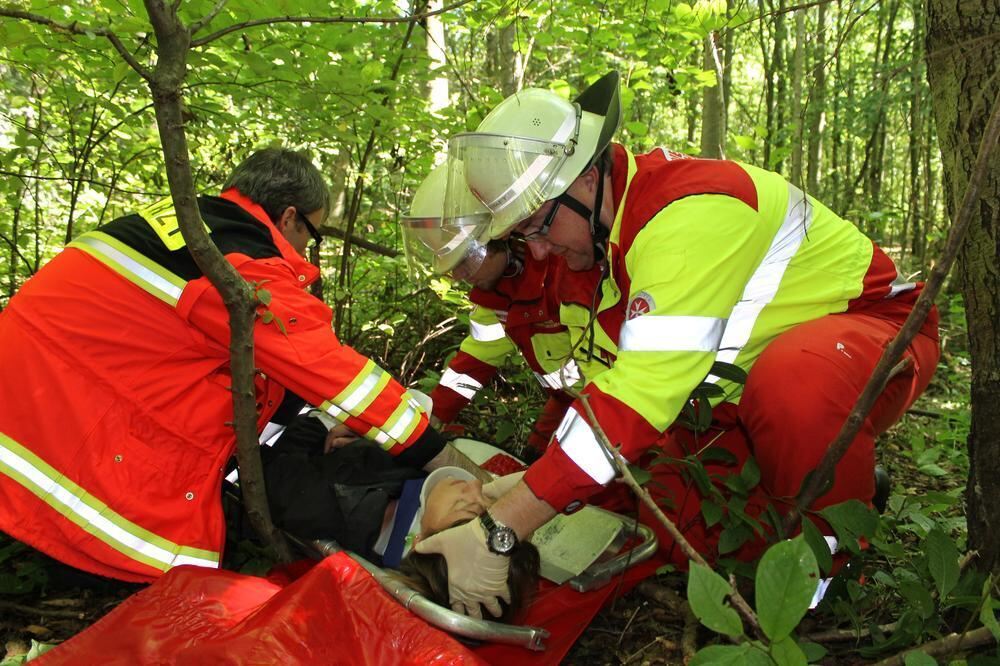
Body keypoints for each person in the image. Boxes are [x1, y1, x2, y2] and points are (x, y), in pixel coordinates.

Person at [412, 71, 941, 616]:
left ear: (586, 182)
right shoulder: (604, 248)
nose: (539, 253)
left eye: (539, 227)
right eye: (524, 238)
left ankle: (822, 580)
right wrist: (533, 479)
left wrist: (505, 527)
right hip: (737, 397)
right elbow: (604, 392)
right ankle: (836, 489)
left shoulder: (685, 215)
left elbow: (638, 397)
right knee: (666, 510)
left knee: (794, 385)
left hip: (878, 334)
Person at [0, 147, 481, 583]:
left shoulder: (186, 226)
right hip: (66, 424)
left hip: (37, 396)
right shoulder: (240, 258)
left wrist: (326, 421)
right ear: (289, 216)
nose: (306, 252)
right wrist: (440, 457)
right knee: (162, 573)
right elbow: (328, 369)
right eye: (311, 235)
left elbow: (256, 363)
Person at [402, 164, 603, 458]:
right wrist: (435, 415)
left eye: (466, 260)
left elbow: (606, 376)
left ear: (502, 235)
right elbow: (476, 359)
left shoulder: (567, 269)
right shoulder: (495, 292)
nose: (460, 276)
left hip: (605, 407)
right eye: (451, 268)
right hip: (567, 402)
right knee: (530, 463)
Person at [262, 412, 538, 621]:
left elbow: (270, 460)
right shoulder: (421, 501)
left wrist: (324, 421)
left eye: (467, 508)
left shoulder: (321, 506)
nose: (477, 486)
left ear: (421, 541)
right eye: (488, 503)